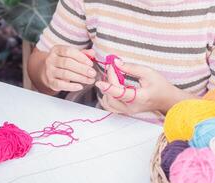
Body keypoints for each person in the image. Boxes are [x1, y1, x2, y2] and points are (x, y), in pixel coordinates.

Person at [27, 0, 215, 124]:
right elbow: (38, 64)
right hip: (105, 140)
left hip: (186, 153)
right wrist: (48, 73)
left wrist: (166, 100)